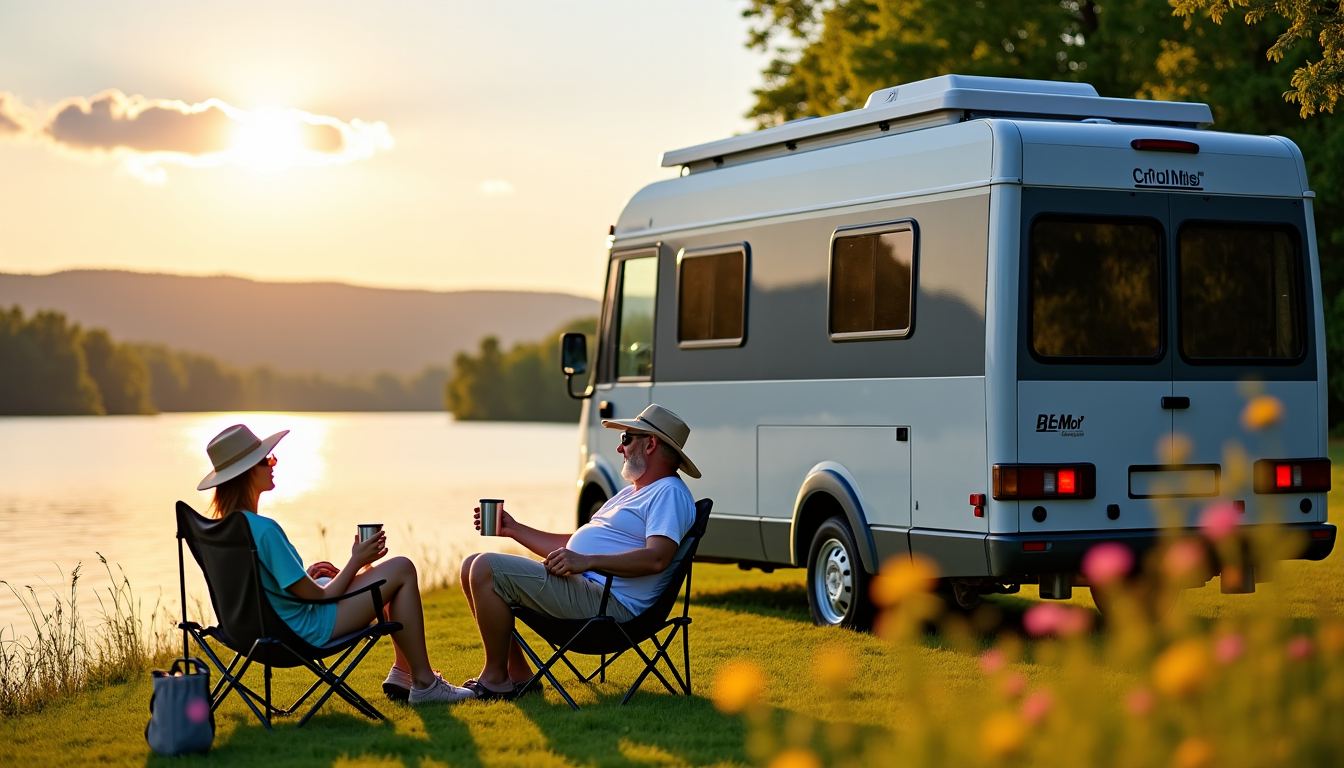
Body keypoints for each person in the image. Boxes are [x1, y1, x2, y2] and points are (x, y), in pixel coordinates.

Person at [196, 424, 472, 704]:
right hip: (303, 631)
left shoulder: (221, 532)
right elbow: (322, 596)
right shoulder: (264, 530)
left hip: (251, 634)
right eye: (267, 459)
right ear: (247, 473)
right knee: (401, 569)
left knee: (365, 580)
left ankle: (404, 674)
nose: (274, 463)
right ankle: (424, 683)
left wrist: (306, 576)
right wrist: (357, 560)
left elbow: (260, 590)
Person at [458, 404, 699, 701]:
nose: (619, 448)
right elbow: (575, 545)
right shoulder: (632, 492)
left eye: (626, 439)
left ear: (650, 444)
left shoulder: (668, 493)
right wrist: (514, 529)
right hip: (589, 590)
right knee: (470, 566)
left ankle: (495, 680)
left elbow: (658, 558)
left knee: (485, 567)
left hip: (612, 608)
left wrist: (587, 561)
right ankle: (517, 675)